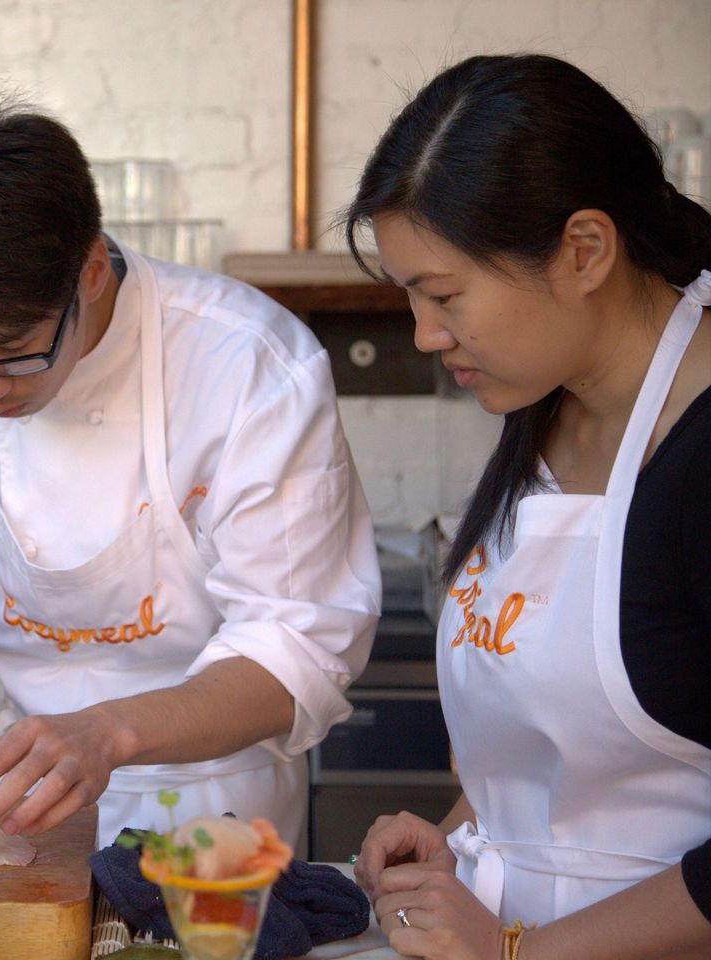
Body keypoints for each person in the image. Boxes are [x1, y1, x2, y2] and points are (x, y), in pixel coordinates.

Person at [0, 76, 380, 849]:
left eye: (14, 355)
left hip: (215, 805)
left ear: (91, 270)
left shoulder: (248, 363)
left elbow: (298, 645)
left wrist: (108, 734)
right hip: (21, 791)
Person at [344, 54, 711, 960]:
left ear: (584, 250)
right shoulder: (545, 400)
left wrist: (516, 952)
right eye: (410, 298)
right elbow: (570, 750)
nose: (428, 336)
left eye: (444, 296)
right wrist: (472, 832)